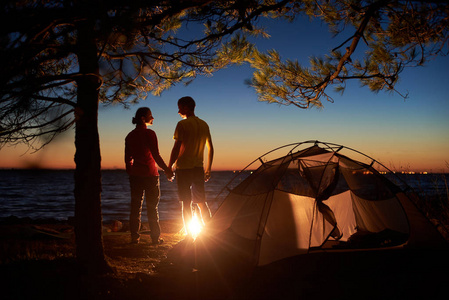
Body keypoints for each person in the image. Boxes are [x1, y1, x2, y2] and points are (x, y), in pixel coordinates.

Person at [125, 107, 173, 244]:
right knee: (152, 208)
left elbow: (127, 159)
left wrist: (131, 172)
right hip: (150, 176)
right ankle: (155, 238)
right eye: (150, 116)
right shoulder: (150, 134)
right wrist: (167, 170)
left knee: (135, 207)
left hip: (135, 176)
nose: (153, 118)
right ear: (142, 118)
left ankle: (135, 237)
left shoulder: (129, 136)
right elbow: (156, 155)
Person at [168, 96, 214, 237]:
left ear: (186, 108)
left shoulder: (182, 125)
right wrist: (208, 169)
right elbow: (211, 148)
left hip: (183, 168)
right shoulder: (204, 124)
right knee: (201, 202)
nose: (178, 111)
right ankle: (212, 231)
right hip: (198, 168)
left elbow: (176, 148)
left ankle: (189, 235)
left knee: (186, 203)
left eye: (180, 108)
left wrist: (169, 166)